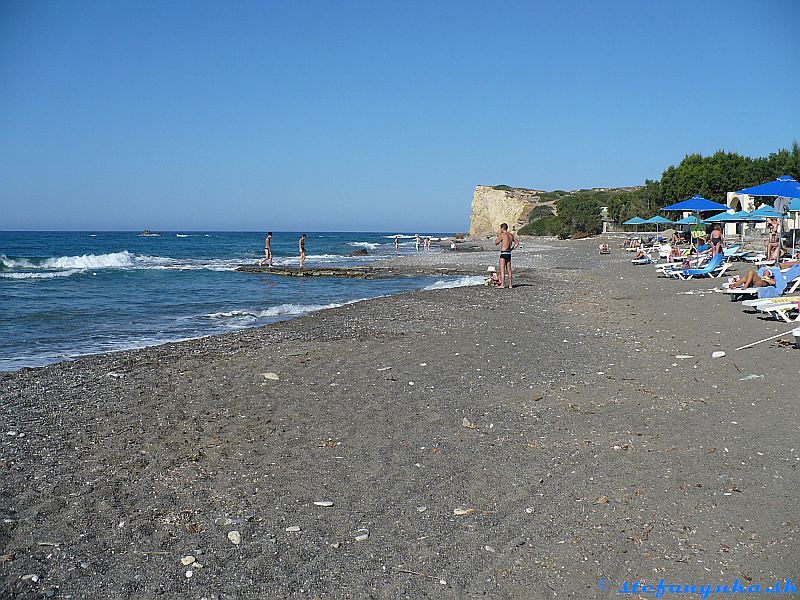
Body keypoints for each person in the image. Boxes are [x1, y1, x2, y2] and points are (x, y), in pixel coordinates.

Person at [494, 223, 518, 288]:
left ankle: (503, 284)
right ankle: (510, 285)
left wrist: (499, 234)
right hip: (509, 253)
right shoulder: (511, 235)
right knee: (509, 270)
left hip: (503, 253)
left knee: (502, 269)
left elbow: (496, 242)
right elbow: (517, 243)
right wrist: (512, 248)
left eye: (500, 228)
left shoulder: (502, 235)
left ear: (502, 228)